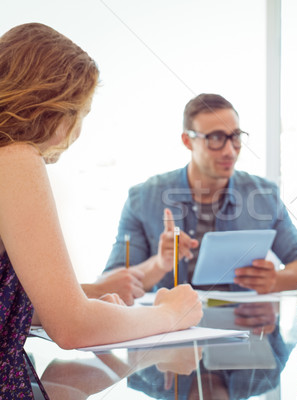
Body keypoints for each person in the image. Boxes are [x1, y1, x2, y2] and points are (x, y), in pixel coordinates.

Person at [0, 23, 203, 398]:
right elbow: (72, 328)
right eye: (82, 113)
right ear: (53, 106)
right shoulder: (14, 158)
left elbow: (23, 313)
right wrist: (170, 314)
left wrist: (86, 302)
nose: (78, 132)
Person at [103, 93, 297, 294]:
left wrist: (276, 280)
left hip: (243, 326)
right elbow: (110, 284)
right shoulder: (143, 198)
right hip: (169, 326)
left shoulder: (263, 195)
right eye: (215, 138)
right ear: (187, 141)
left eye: (235, 137)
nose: (229, 150)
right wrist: (159, 264)